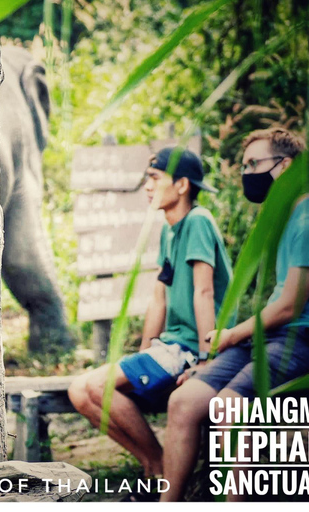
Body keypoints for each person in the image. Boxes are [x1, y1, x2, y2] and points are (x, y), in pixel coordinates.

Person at [160, 127, 309, 501]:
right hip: (277, 338)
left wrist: (230, 335)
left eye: (255, 163)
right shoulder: (288, 219)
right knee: (183, 401)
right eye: (244, 165)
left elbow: (288, 307)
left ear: (287, 166)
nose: (247, 173)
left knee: (227, 406)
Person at [68, 147, 233, 494]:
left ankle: (162, 473)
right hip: (168, 347)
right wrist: (143, 353)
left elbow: (204, 293)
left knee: (97, 386)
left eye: (155, 178)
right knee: (79, 393)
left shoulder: (199, 221)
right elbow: (159, 295)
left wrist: (209, 359)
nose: (147, 186)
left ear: (183, 185)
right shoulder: (169, 230)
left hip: (192, 346)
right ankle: (156, 463)